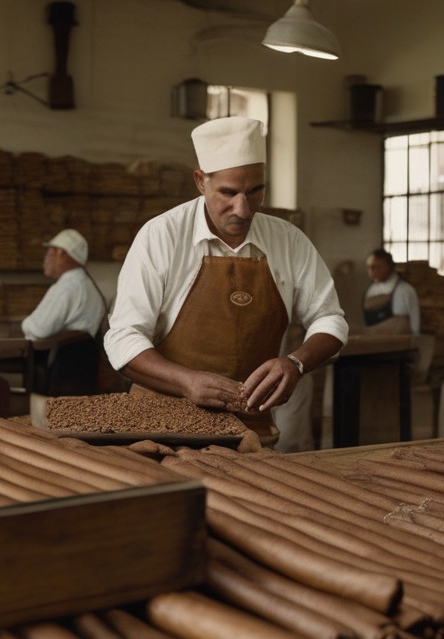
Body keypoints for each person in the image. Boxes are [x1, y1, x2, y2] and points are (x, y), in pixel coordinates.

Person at [103, 116, 348, 446]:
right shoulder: (161, 237)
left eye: (255, 191)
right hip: (160, 426)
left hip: (249, 429)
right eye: (228, 193)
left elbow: (330, 319)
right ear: (200, 181)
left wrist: (295, 364)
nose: (243, 209)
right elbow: (123, 338)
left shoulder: (288, 241)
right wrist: (186, 381)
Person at [20, 228, 106, 341]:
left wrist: (26, 324)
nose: (45, 260)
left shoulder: (67, 286)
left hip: (57, 357)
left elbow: (40, 330)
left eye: (49, 254)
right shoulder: (87, 284)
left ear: (61, 253)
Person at [363, 248, 420, 334]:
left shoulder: (404, 290)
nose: (372, 271)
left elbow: (414, 321)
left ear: (389, 266)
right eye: (370, 268)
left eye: (377, 267)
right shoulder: (370, 291)